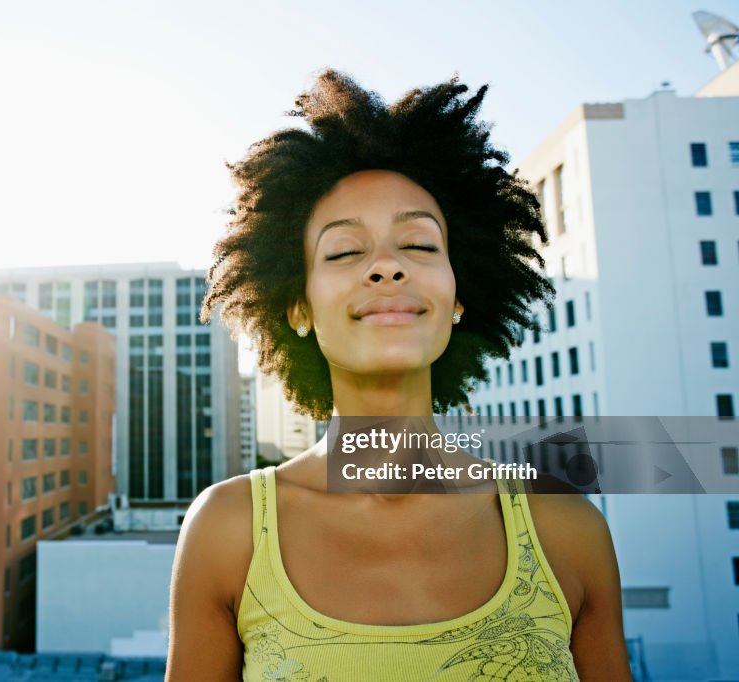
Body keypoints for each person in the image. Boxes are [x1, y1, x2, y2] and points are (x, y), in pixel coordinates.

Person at [166, 70, 630, 681]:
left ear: (459, 296)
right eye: (343, 251)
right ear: (298, 306)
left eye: (418, 245)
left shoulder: (565, 525)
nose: (386, 266)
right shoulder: (228, 530)